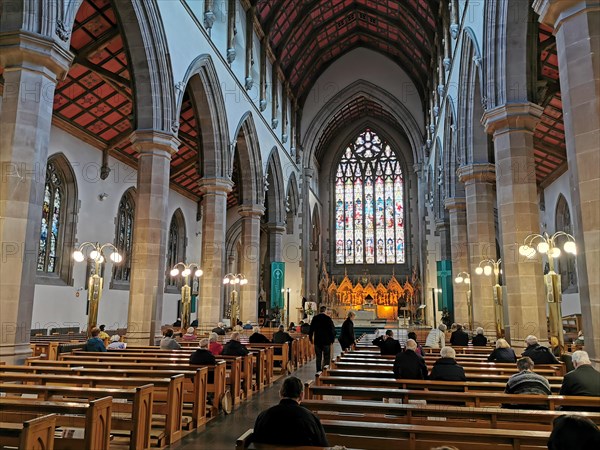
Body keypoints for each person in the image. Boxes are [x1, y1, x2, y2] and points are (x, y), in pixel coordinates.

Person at [252, 376, 329, 447]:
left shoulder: (263, 416)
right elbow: (323, 446)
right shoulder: (311, 418)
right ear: (301, 395)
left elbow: (256, 442)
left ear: (280, 393)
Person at [309, 306, 336, 373]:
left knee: (318, 357)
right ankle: (325, 370)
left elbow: (311, 329)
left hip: (317, 341)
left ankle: (318, 371)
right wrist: (332, 340)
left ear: (319, 310)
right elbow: (332, 331)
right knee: (326, 357)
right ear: (325, 311)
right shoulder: (328, 319)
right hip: (326, 341)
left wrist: (310, 338)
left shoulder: (315, 318)